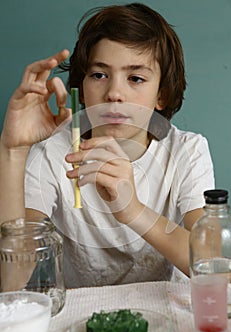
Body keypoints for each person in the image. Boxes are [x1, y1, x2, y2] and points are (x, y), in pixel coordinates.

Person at [0, 3, 214, 288]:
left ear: (161, 96)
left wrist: (134, 210)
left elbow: (214, 267)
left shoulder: (187, 151)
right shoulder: (52, 153)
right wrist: (12, 151)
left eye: (135, 78)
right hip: (79, 323)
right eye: (99, 75)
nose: (114, 93)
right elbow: (12, 282)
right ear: (83, 89)